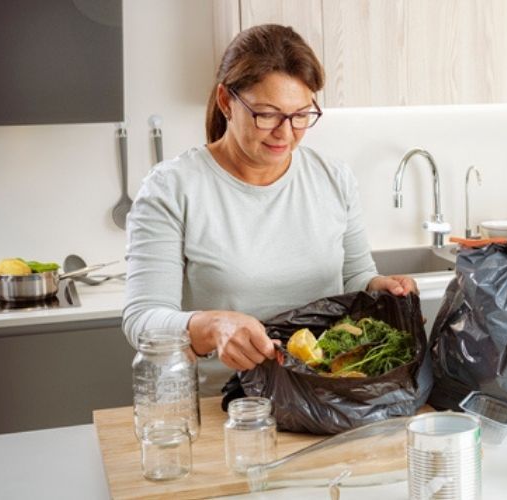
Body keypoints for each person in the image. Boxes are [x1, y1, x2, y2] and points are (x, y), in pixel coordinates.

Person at [122, 24, 417, 395]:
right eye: (267, 114)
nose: (285, 132)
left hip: (325, 397)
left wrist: (382, 288)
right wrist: (211, 327)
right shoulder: (173, 188)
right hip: (228, 408)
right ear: (227, 102)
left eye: (300, 115)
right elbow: (142, 320)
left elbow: (356, 278)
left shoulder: (333, 178)